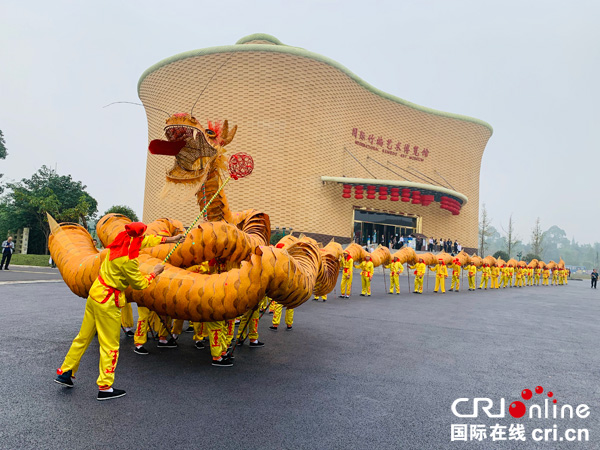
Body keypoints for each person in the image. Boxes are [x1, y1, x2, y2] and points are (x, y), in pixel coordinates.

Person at [54, 223, 183, 400]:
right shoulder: (128, 260)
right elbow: (139, 284)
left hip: (96, 294)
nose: (143, 240)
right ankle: (105, 387)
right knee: (110, 345)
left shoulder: (121, 239)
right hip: (108, 302)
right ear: (137, 236)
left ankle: (66, 372)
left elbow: (146, 240)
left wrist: (170, 240)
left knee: (82, 338)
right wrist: (154, 273)